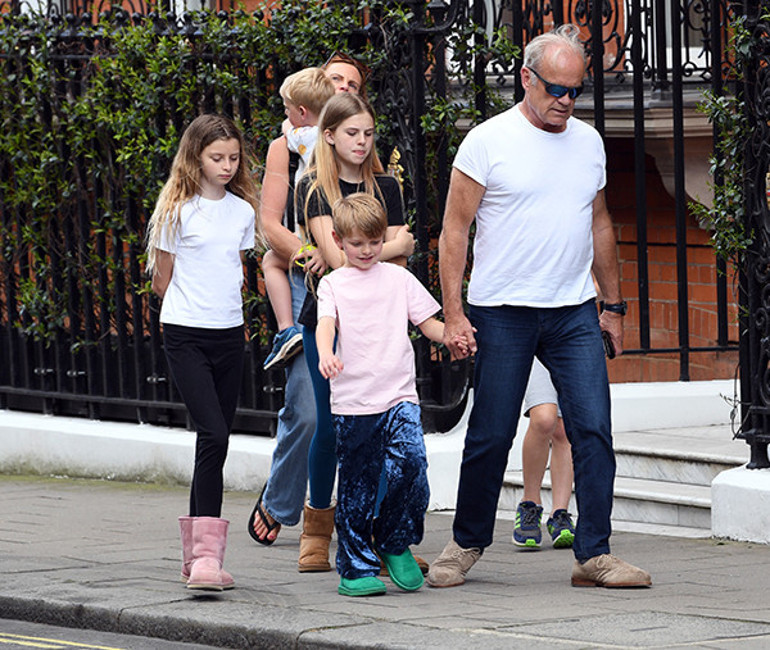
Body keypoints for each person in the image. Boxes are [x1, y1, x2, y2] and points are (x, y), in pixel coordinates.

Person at [427, 24, 652, 589]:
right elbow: (454, 230)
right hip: (502, 310)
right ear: (526, 78)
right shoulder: (487, 141)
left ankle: (594, 554)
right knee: (491, 431)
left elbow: (600, 223)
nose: (566, 102)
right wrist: (453, 313)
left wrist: (614, 306)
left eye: (576, 90)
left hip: (573, 309)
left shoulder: (589, 142)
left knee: (593, 429)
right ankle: (465, 543)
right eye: (556, 89)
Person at [316, 193, 465, 597]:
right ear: (338, 239)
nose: (366, 251)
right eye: (356, 243)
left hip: (399, 395)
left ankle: (395, 540)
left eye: (374, 242)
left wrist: (451, 337)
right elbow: (325, 324)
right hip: (353, 401)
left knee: (413, 465)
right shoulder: (332, 285)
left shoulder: (398, 278)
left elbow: (428, 322)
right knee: (357, 485)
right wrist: (326, 353)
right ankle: (355, 567)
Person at [248, 53, 368, 548]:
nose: (342, 88)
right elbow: (270, 222)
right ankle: (282, 500)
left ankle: (349, 524)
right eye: (335, 80)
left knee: (363, 407)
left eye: (352, 84)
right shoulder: (286, 147)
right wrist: (306, 253)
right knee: (310, 407)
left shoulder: (364, 149)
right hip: (309, 282)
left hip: (358, 282)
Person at [294, 92, 415, 573]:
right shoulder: (314, 189)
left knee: (382, 429)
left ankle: (378, 535)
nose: (362, 142)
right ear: (329, 135)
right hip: (329, 322)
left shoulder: (388, 186)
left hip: (381, 324)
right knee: (331, 426)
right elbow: (341, 261)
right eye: (352, 133)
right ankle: (317, 530)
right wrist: (387, 244)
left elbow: (398, 261)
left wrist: (368, 254)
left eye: (368, 133)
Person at [146, 114, 262, 591]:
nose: (227, 166)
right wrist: (186, 309)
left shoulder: (242, 212)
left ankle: (199, 559)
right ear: (195, 157)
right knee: (213, 433)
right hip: (185, 333)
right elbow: (161, 279)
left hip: (229, 334)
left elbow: (233, 268)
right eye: (217, 158)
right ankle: (207, 560)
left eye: (233, 158)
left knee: (213, 441)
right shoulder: (176, 211)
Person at [262, 68, 335, 371]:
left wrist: (312, 253)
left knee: (270, 260)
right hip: (339, 241)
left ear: (302, 112)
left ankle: (286, 330)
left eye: (287, 109)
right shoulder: (338, 137)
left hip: (308, 240)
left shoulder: (297, 138)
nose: (286, 115)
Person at [512, 359, 575, 550]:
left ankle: (560, 513)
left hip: (567, 336)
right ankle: (529, 504)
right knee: (544, 419)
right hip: (529, 337)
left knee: (564, 428)